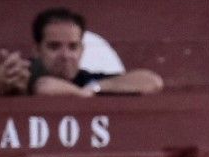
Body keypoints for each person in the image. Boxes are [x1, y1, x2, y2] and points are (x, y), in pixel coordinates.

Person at [29, 7, 164, 96]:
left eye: (73, 47)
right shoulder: (25, 74)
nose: (65, 55)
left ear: (82, 50)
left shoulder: (88, 81)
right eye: (54, 47)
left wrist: (95, 88)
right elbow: (45, 87)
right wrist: (83, 94)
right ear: (37, 50)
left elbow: (152, 81)